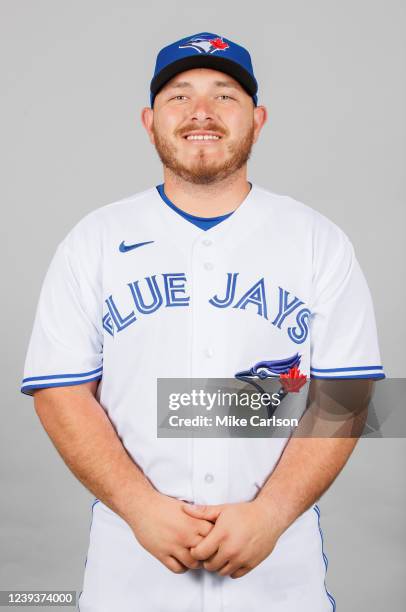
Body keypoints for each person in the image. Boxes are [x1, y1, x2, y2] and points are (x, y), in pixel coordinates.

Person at [20, 32, 385, 612]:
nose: (201, 113)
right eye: (180, 96)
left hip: (277, 570)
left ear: (258, 119)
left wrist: (270, 515)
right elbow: (60, 393)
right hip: (132, 572)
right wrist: (141, 508)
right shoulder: (93, 241)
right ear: (149, 120)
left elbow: (345, 393)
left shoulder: (318, 242)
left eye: (225, 95)